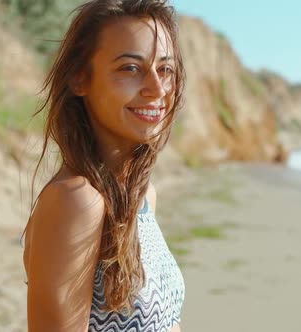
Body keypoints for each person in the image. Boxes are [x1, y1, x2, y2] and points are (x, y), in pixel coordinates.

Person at [22, 0, 186, 331]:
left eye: (165, 69)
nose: (157, 89)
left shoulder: (142, 197)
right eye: (130, 68)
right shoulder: (76, 200)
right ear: (80, 79)